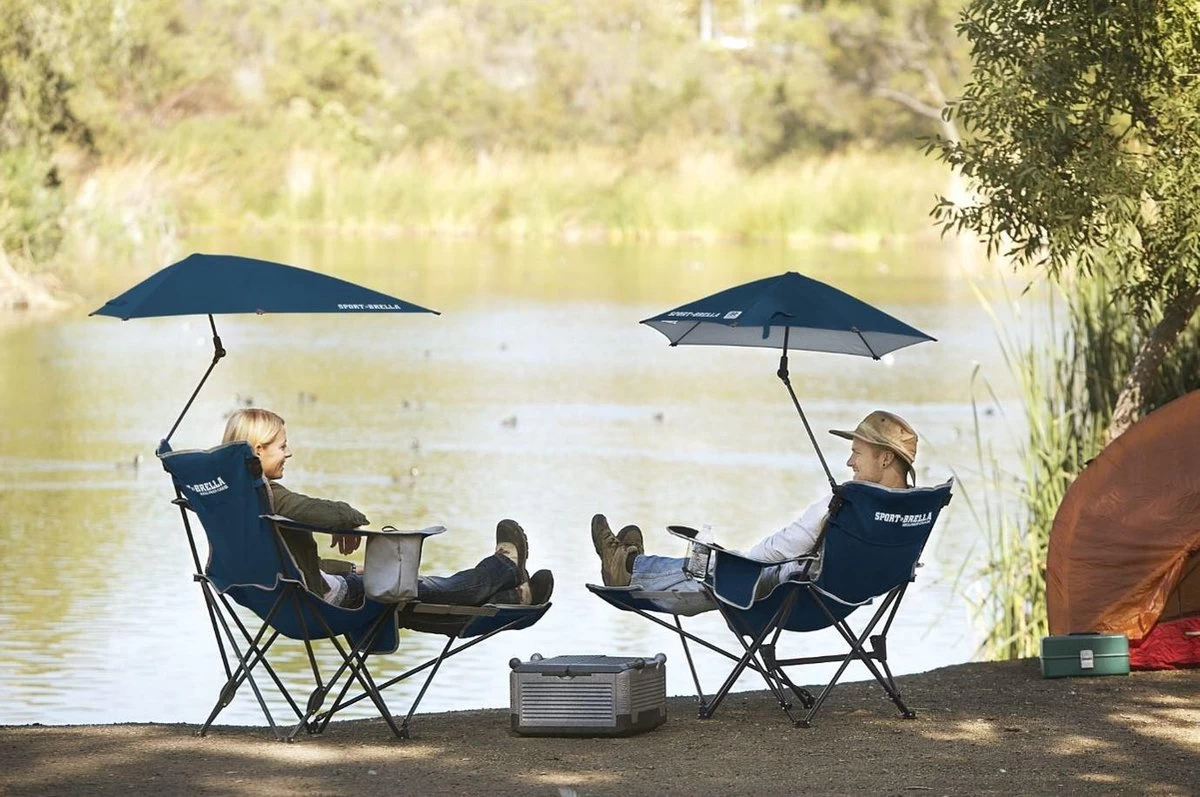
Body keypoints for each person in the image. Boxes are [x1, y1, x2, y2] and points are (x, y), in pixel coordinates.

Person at [222, 408, 553, 609]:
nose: (289, 453)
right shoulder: (269, 497)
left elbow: (290, 563)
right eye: (282, 446)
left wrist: (349, 570)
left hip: (279, 599)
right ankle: (502, 568)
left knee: (410, 597)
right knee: (414, 588)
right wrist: (350, 521)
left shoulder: (227, 501)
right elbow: (320, 512)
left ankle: (513, 598)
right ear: (258, 450)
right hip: (318, 602)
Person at [591, 410, 919, 604]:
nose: (849, 462)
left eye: (857, 452)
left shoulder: (850, 500)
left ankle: (631, 568)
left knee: (717, 572)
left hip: (796, 593)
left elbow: (783, 547)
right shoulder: (915, 509)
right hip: (842, 597)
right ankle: (634, 567)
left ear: (885, 457)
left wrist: (739, 561)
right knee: (714, 569)